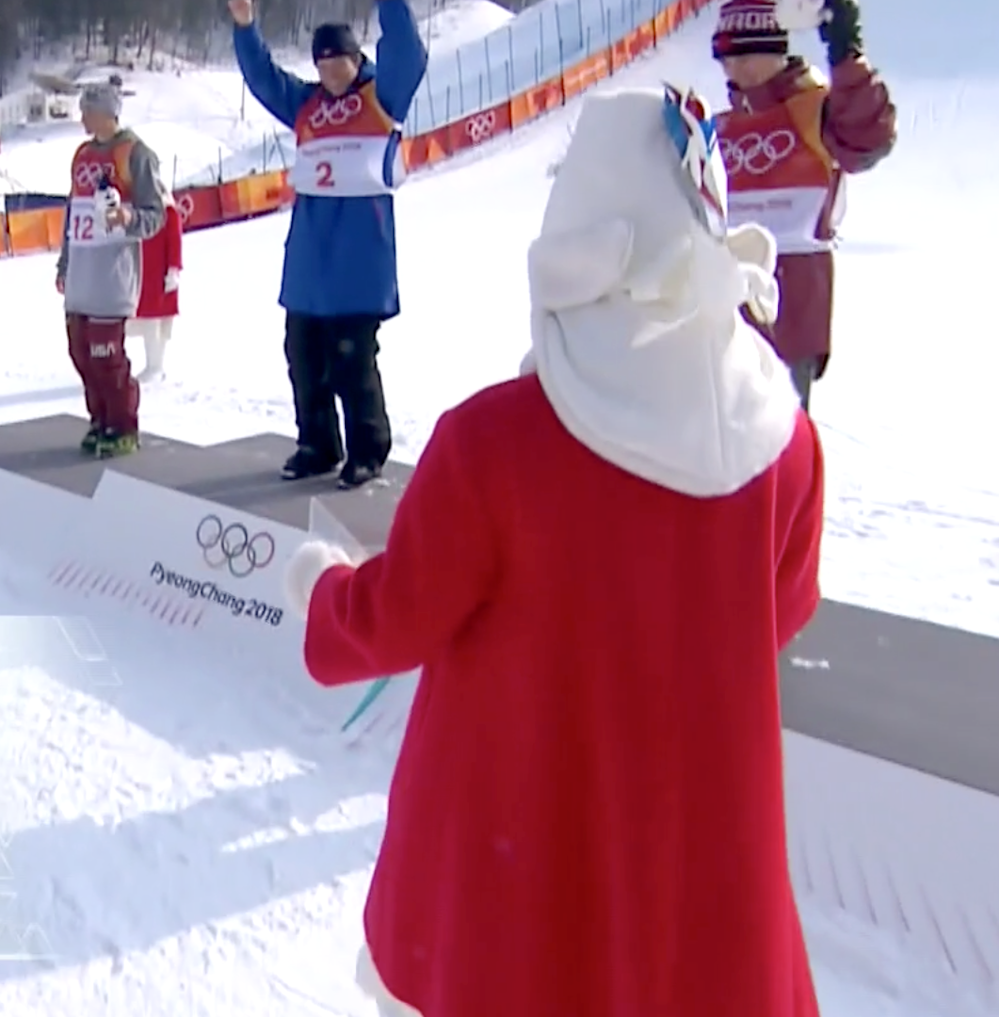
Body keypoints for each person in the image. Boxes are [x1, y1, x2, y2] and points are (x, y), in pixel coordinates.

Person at [282, 85, 824, 1017]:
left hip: (511, 883)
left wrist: (321, 590)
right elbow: (783, 609)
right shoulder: (786, 440)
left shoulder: (495, 443)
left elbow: (392, 619)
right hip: (704, 883)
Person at [230, 0, 429, 489]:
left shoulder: (380, 98)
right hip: (310, 259)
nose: (331, 69)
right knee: (303, 356)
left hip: (360, 258)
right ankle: (317, 443)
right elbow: (265, 80)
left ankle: (367, 449)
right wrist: (246, 29)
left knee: (353, 362)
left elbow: (408, 57)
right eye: (322, 61)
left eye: (339, 58)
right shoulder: (307, 106)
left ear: (355, 57)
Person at [711, 0, 896, 409]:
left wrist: (846, 51)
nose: (736, 69)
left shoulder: (815, 108)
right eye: (726, 58)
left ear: (776, 48)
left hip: (791, 309)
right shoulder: (719, 126)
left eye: (747, 54)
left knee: (777, 451)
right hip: (720, 308)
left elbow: (868, 135)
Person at [55, 82, 164, 456]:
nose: (82, 116)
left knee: (106, 356)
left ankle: (123, 425)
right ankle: (99, 419)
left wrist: (126, 217)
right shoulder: (82, 154)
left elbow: (157, 215)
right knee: (80, 353)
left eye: (88, 109)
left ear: (106, 112)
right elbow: (73, 213)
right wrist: (64, 262)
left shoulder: (135, 154)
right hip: (81, 273)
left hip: (112, 276)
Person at [128, 183, 183, 383]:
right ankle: (153, 365)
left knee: (157, 322)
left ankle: (155, 366)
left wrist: (173, 270)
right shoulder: (144, 213)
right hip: (146, 275)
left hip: (161, 276)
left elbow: (175, 242)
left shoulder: (169, 212)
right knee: (148, 320)